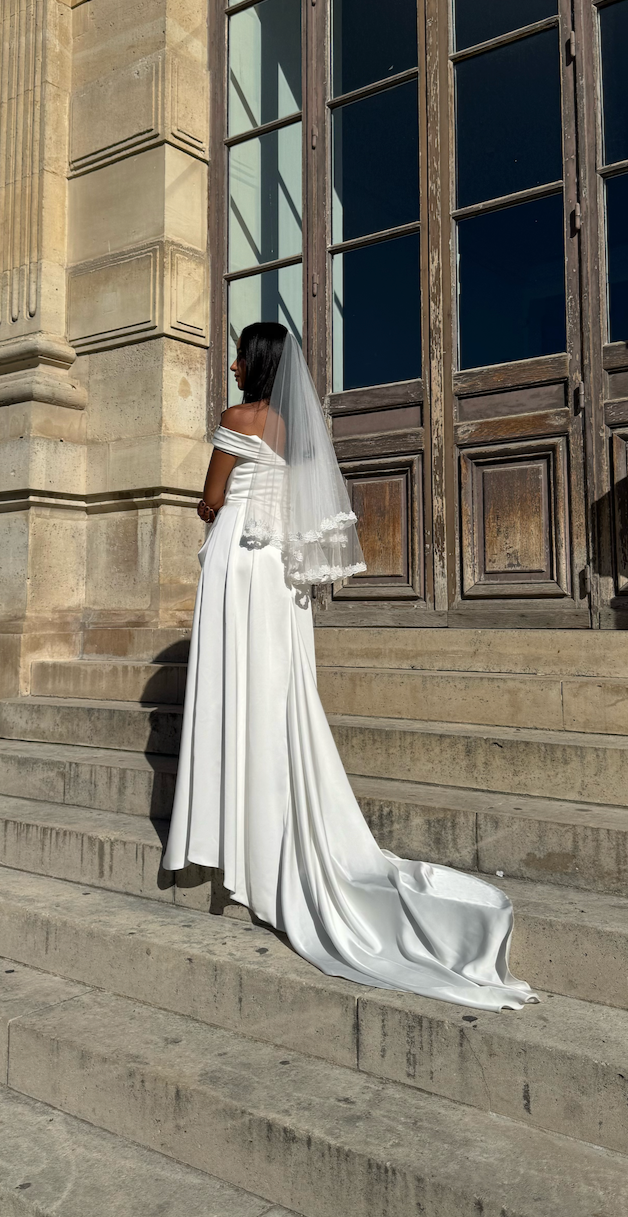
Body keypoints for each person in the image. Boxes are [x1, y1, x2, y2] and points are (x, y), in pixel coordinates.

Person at [163, 321, 537, 1011]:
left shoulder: (235, 418)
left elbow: (211, 499)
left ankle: (232, 827)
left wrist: (211, 508)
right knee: (276, 692)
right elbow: (307, 506)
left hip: (235, 565)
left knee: (231, 689)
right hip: (277, 576)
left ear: (254, 363)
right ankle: (266, 816)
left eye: (242, 356)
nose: (237, 366)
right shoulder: (304, 433)